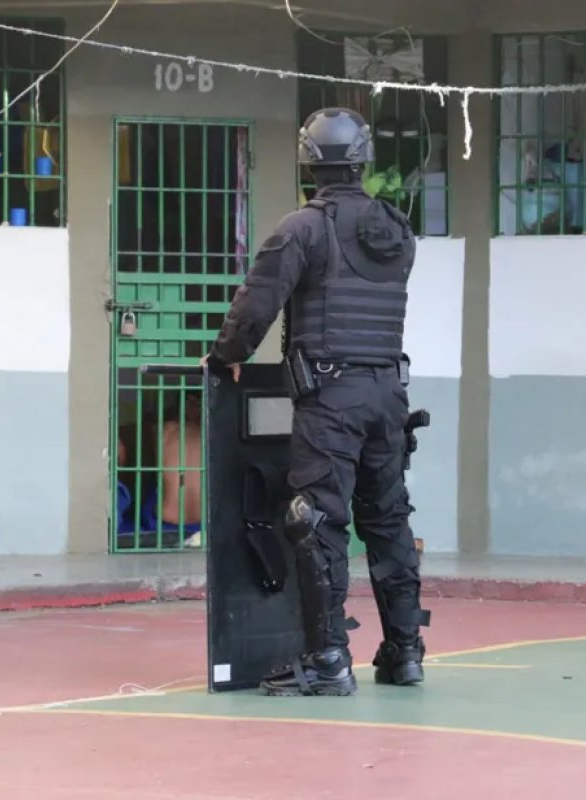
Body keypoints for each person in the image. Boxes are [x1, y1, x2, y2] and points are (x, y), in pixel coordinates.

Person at [202, 107, 428, 696]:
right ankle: (405, 652)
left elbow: (257, 302)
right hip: (389, 394)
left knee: (317, 523)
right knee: (389, 522)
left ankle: (329, 658)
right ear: (363, 160)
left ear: (308, 161)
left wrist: (227, 352)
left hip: (331, 398)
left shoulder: (303, 228)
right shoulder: (397, 232)